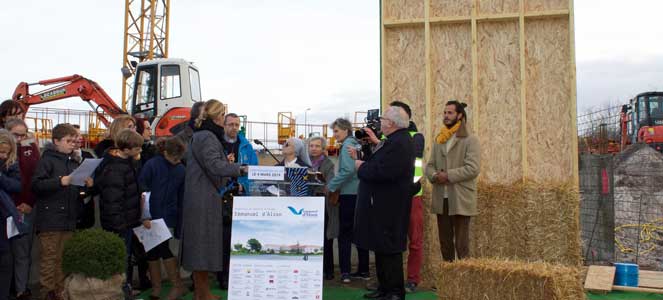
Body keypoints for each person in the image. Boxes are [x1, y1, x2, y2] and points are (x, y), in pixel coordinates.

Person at [181, 99, 246, 300]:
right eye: (223, 114)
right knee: (203, 246)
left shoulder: (201, 135)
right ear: (217, 116)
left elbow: (211, 164)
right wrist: (240, 169)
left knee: (200, 246)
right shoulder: (208, 137)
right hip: (204, 198)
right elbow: (214, 166)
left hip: (199, 195)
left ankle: (202, 293)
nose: (224, 118)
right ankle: (203, 294)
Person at [352, 106, 414, 300]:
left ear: (392, 123)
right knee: (381, 247)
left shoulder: (400, 143)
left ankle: (394, 292)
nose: (380, 122)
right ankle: (384, 288)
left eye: (383, 119)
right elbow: (380, 165)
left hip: (390, 206)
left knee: (390, 249)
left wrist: (361, 168)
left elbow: (383, 172)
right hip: (384, 205)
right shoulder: (394, 141)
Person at [32, 124, 93, 300]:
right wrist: (60, 182)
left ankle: (60, 292)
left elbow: (78, 193)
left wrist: (87, 187)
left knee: (62, 260)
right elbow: (36, 185)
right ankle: (47, 294)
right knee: (49, 260)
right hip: (50, 219)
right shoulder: (47, 160)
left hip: (69, 218)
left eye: (74, 141)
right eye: (68, 141)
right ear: (56, 141)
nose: (72, 144)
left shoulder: (74, 161)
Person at [425, 100, 480, 262]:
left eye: (450, 113)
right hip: (442, 198)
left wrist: (447, 175)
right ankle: (448, 279)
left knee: (462, 244)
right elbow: (429, 166)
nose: (446, 116)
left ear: (460, 115)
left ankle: (464, 281)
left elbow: (473, 168)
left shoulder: (471, 140)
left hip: (461, 198)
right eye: (444, 113)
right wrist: (434, 176)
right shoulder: (440, 139)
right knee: (445, 242)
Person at [94, 129, 145, 299]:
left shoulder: (125, 164)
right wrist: (119, 224)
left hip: (126, 221)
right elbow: (112, 200)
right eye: (137, 148)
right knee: (120, 260)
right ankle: (119, 291)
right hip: (120, 224)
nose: (140, 151)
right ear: (126, 148)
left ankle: (124, 289)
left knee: (124, 258)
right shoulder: (116, 168)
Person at [139, 137, 187, 300]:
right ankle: (158, 287)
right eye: (174, 158)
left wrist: (180, 221)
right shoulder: (152, 165)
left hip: (168, 216)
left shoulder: (181, 169)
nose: (177, 161)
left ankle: (175, 286)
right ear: (165, 152)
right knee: (152, 251)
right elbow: (143, 190)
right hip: (151, 215)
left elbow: (182, 197)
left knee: (163, 248)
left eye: (179, 158)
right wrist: (145, 215)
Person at [216, 113, 258, 290]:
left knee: (240, 238)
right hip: (221, 197)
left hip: (242, 199)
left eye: (237, 124)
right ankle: (223, 276)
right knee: (224, 240)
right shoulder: (217, 145)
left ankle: (240, 275)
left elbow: (254, 172)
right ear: (224, 125)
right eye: (230, 124)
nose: (234, 127)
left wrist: (244, 187)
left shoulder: (247, 146)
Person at [326, 118, 369, 284]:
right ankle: (364, 270)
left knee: (345, 234)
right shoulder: (357, 144)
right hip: (360, 193)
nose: (334, 135)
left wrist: (331, 186)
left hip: (349, 194)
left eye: (336, 131)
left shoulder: (346, 147)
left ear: (345, 130)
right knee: (360, 232)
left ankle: (345, 272)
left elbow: (347, 170)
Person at [389, 101, 425, 293]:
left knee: (415, 241)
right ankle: (390, 281)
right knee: (391, 240)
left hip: (412, 196)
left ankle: (412, 279)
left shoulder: (416, 136)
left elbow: (415, 162)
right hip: (392, 197)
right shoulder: (385, 137)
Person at [5, 119, 40, 300]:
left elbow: (34, 177)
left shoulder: (30, 150)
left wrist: (29, 202)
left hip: (25, 208)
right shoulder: (4, 151)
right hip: (6, 207)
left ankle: (20, 290)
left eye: (23, 134)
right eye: (15, 135)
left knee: (22, 252)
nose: (19, 139)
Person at [308, 136, 339, 281]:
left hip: (323, 205)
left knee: (326, 240)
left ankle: (328, 270)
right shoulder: (305, 163)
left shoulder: (328, 164)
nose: (313, 148)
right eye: (311, 146)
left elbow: (332, 184)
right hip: (308, 206)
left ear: (323, 149)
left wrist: (321, 185)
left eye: (317, 146)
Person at [70, 124, 96, 231]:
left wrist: (92, 185)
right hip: (70, 204)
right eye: (76, 135)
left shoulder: (88, 155)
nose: (80, 138)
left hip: (86, 203)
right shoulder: (62, 156)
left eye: (80, 135)